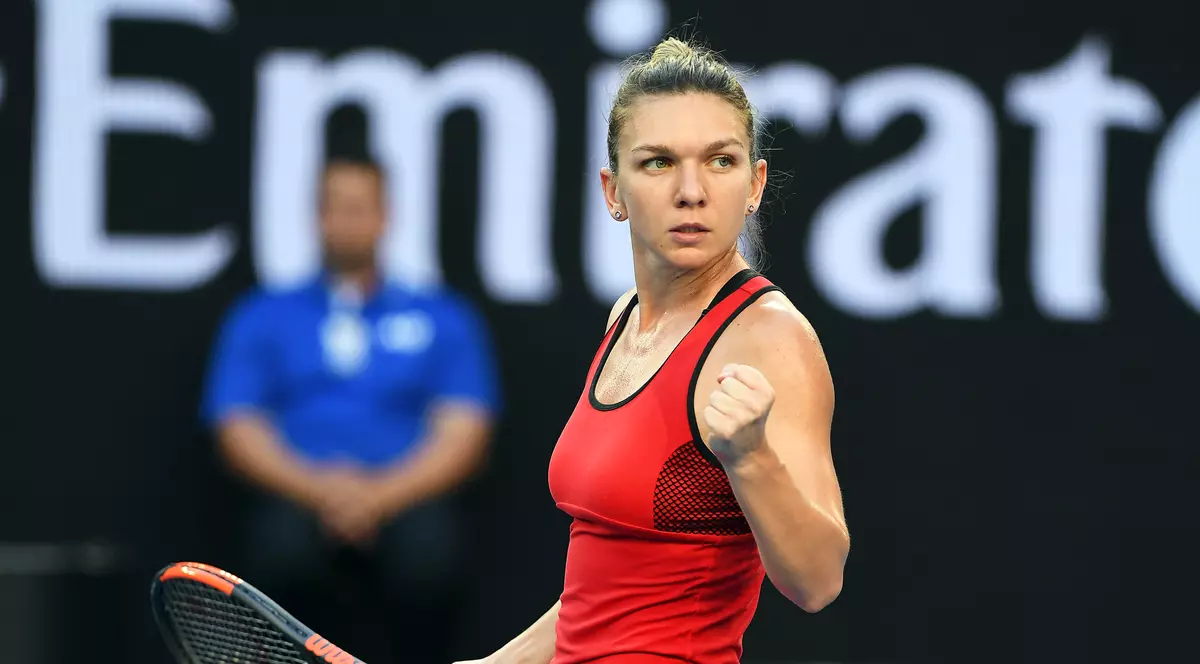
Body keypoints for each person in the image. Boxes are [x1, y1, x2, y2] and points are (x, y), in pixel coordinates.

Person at [460, 36, 850, 664]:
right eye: (659, 162)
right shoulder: (626, 318)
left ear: (755, 185)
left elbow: (818, 581)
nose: (692, 191)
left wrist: (750, 458)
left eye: (720, 161)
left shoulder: (772, 339)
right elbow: (602, 602)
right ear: (613, 192)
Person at [200, 154, 501, 664]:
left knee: (431, 559)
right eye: (336, 207)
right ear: (316, 217)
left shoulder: (442, 316)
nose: (348, 220)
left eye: (361, 207)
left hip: (405, 497)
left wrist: (378, 496)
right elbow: (237, 426)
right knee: (280, 554)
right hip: (297, 495)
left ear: (386, 217)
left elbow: (465, 432)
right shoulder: (263, 314)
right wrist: (323, 491)